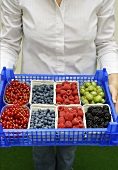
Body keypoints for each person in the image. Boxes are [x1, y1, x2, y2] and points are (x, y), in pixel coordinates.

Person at [0, 0, 118, 170]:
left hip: (78, 94)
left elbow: (105, 42)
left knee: (70, 145)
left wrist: (114, 79)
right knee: (40, 147)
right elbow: (8, 43)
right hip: (35, 92)